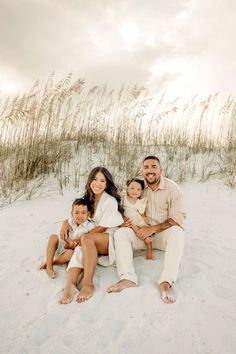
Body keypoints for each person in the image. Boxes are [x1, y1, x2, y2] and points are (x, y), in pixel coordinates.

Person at [107, 156, 185, 304]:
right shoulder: (138, 188)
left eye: (154, 167)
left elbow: (177, 218)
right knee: (121, 233)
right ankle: (127, 278)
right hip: (140, 235)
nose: (150, 171)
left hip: (162, 235)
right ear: (142, 171)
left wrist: (153, 229)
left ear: (161, 169)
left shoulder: (173, 189)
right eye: (146, 167)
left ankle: (166, 282)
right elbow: (120, 204)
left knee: (178, 232)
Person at [59, 167, 124, 304]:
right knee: (79, 249)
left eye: (102, 180)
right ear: (89, 181)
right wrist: (65, 222)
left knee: (84, 240)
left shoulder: (109, 201)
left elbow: (103, 227)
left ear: (107, 184)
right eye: (94, 179)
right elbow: (76, 213)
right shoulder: (88, 198)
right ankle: (70, 284)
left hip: (108, 237)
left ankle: (88, 284)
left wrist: (78, 240)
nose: (97, 183)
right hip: (90, 237)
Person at [40, 198, 94, 279]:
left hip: (71, 251)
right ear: (72, 214)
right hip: (63, 246)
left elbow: (85, 241)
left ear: (88, 214)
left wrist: (72, 244)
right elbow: (63, 236)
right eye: (76, 213)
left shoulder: (90, 227)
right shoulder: (70, 221)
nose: (80, 216)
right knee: (53, 237)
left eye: (83, 213)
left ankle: (52, 262)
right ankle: (49, 267)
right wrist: (68, 241)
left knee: (70, 253)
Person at [123, 178, 153, 260]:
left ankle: (149, 246)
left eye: (138, 189)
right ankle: (146, 239)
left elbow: (142, 213)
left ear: (141, 192)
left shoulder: (139, 202)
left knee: (144, 227)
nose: (135, 191)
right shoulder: (124, 199)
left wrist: (145, 218)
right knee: (132, 224)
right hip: (129, 220)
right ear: (127, 189)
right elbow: (120, 209)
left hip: (138, 220)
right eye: (132, 188)